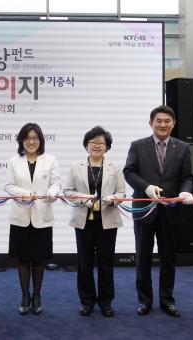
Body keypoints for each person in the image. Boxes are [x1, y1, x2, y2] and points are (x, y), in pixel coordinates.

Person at [123, 105, 193, 317]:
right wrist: (145, 187)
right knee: (143, 257)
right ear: (151, 123)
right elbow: (128, 171)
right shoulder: (138, 145)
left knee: (168, 258)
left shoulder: (182, 147)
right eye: (158, 121)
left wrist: (185, 192)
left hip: (171, 212)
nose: (162, 125)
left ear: (173, 124)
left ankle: (167, 300)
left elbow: (187, 177)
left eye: (167, 121)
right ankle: (144, 301)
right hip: (145, 210)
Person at [64, 126, 125, 317]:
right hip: (84, 221)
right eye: (93, 142)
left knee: (106, 263)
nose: (96, 146)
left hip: (107, 220)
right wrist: (84, 199)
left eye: (101, 143)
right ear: (86, 145)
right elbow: (67, 192)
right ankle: (87, 301)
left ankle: (106, 302)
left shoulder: (115, 167)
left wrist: (114, 199)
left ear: (107, 147)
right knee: (85, 263)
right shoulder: (77, 166)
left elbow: (122, 192)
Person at [4, 123, 60, 316]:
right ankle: (25, 296)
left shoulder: (50, 160)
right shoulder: (14, 161)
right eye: (27, 138)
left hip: (42, 216)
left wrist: (52, 193)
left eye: (35, 138)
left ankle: (37, 296)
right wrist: (24, 193)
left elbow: (55, 183)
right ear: (21, 140)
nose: (31, 142)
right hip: (20, 217)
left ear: (41, 140)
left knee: (38, 259)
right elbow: (9, 186)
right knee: (22, 259)